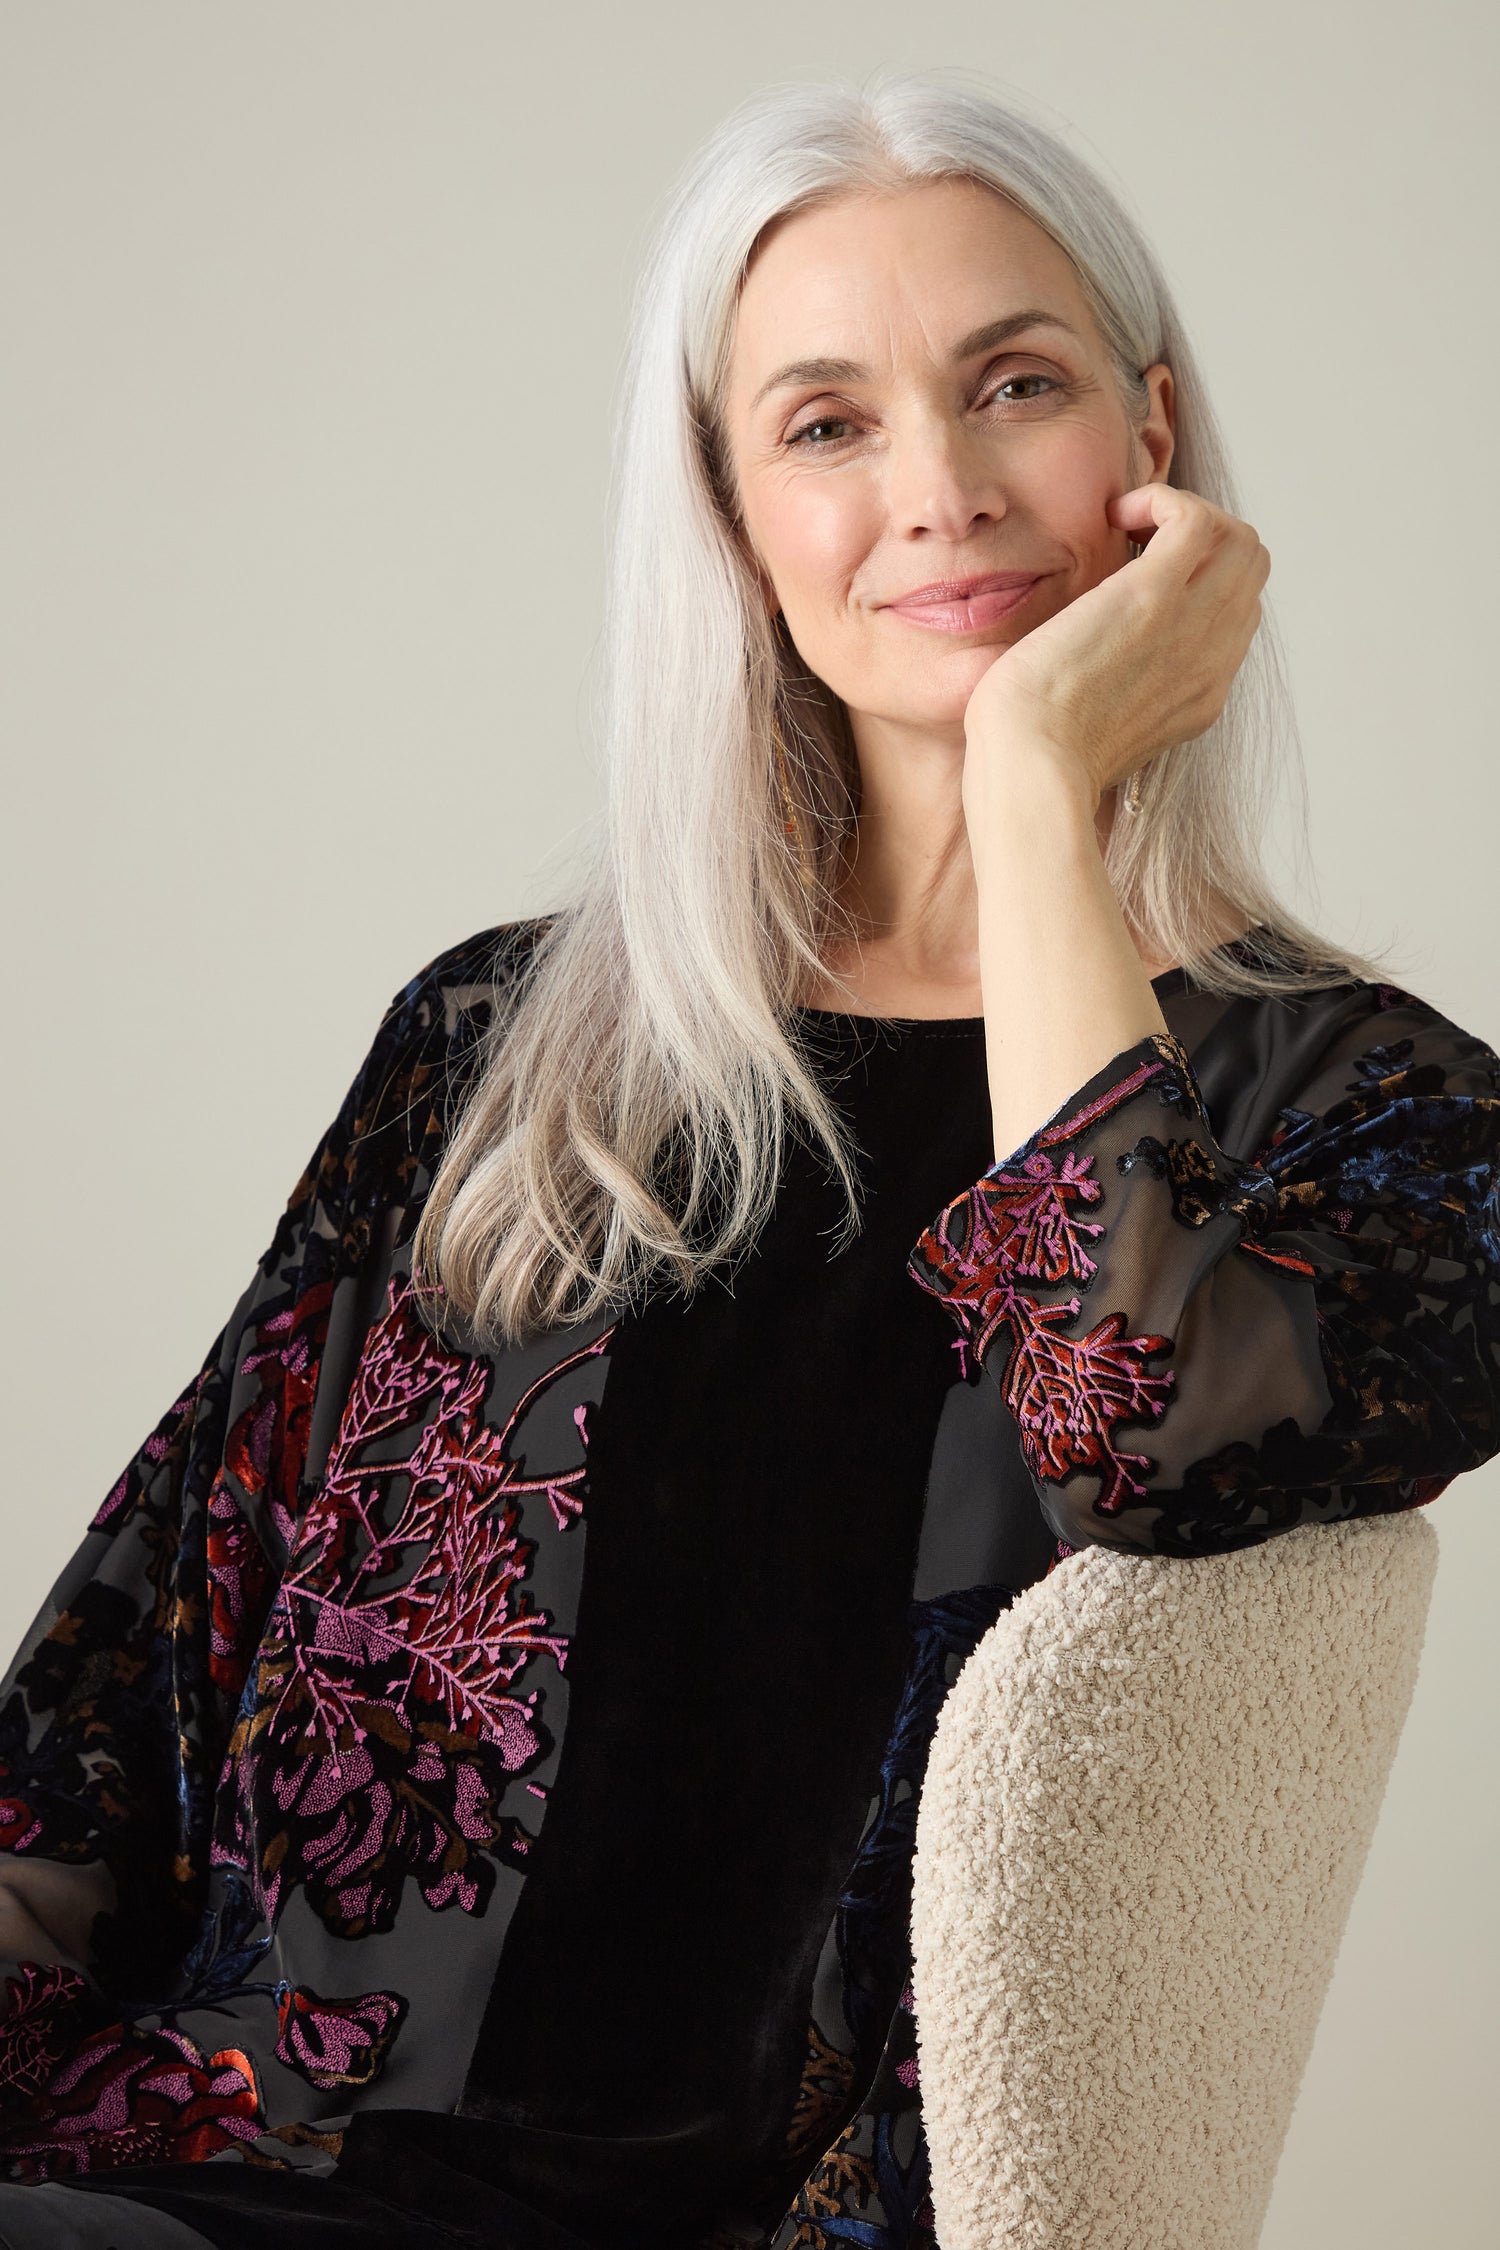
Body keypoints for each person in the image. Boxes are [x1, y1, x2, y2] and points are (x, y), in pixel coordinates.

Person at [0, 68, 1495, 2250]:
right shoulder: (503, 1045)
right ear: (726, 512)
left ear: (1150, 444)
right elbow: (116, 1685)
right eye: (826, 425)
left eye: (1016, 385)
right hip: (245, 2159)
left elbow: (1142, 1435)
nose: (945, 490)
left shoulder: (1381, 1117)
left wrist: (1044, 776)